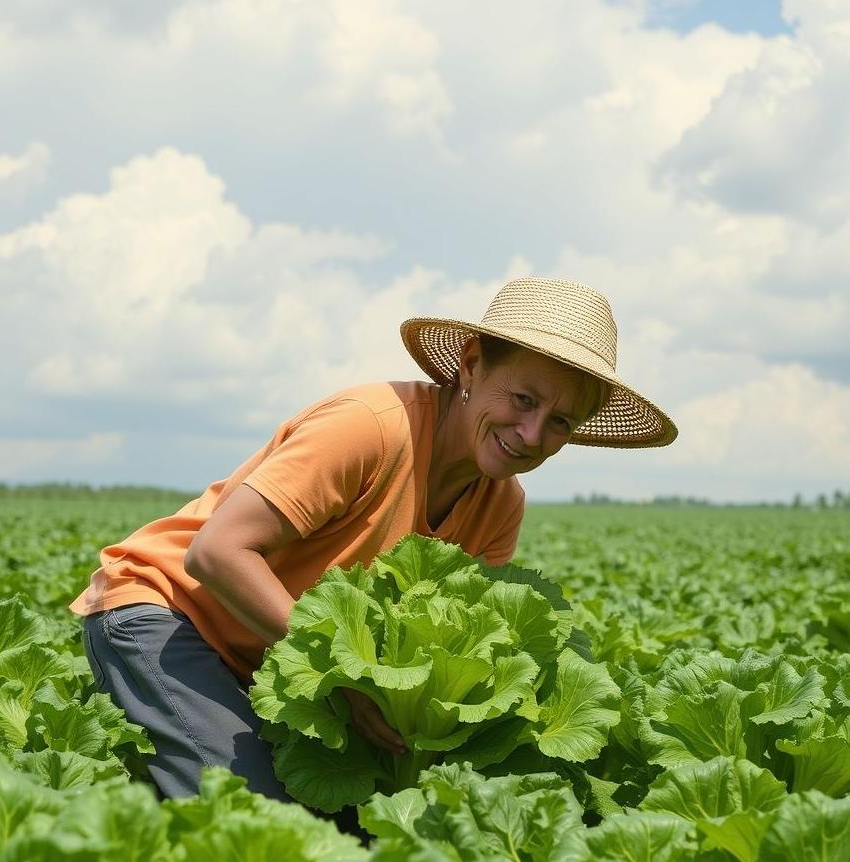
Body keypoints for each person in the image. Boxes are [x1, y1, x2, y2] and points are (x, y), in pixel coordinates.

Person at [71, 276, 677, 801]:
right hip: (165, 613)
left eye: (560, 422)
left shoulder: (500, 506)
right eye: (523, 399)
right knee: (255, 815)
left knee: (352, 823)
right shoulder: (371, 427)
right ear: (470, 365)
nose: (531, 432)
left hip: (273, 663)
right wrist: (349, 681)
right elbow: (217, 553)